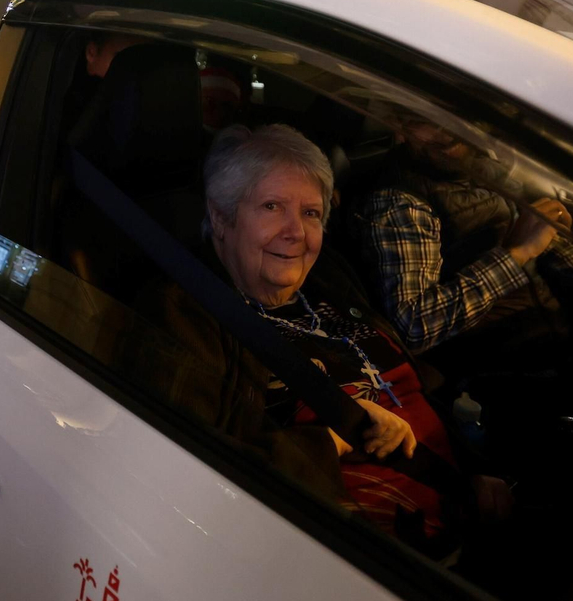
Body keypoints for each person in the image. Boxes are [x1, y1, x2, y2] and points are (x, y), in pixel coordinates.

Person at [131, 125, 496, 550]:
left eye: (310, 213)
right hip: (355, 551)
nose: (296, 233)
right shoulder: (182, 311)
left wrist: (472, 475)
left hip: (459, 505)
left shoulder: (328, 277)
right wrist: (332, 437)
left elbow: (407, 386)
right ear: (221, 217)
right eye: (271, 207)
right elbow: (181, 478)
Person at [358, 111, 573, 367]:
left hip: (556, 338)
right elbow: (412, 326)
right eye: (424, 119)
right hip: (493, 371)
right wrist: (514, 254)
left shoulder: (482, 171)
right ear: (397, 124)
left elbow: (550, 251)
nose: (445, 127)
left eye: (453, 111)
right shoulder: (400, 202)